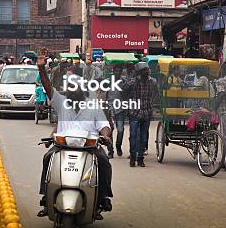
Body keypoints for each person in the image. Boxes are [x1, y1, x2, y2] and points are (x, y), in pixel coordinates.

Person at [36, 56, 112, 217]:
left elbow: (104, 125)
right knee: (47, 158)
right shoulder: (62, 102)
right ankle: (46, 196)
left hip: (90, 147)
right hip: (62, 146)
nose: (71, 89)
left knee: (104, 162)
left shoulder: (93, 106)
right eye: (69, 87)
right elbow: (48, 88)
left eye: (75, 87)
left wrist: (105, 136)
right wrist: (42, 69)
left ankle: (103, 197)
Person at [125, 62, 158, 167]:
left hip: (146, 112)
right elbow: (123, 89)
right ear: (139, 72)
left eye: (147, 69)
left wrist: (152, 104)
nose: (147, 71)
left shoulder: (152, 82)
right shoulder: (133, 82)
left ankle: (140, 158)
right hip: (134, 113)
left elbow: (156, 94)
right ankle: (133, 157)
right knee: (134, 136)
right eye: (144, 70)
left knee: (143, 138)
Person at [107, 64, 126, 158]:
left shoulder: (124, 81)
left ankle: (118, 145)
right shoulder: (108, 81)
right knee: (109, 130)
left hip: (121, 108)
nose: (118, 72)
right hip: (110, 108)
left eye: (119, 71)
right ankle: (110, 150)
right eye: (116, 71)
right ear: (113, 72)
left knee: (120, 130)